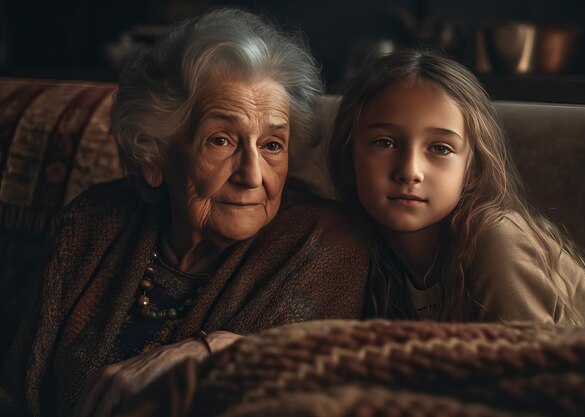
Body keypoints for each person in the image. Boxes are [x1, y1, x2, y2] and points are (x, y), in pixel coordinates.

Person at [0, 8, 368, 417]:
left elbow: (293, 377)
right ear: (155, 155)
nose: (251, 175)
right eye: (221, 141)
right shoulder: (89, 224)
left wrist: (207, 351)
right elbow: (16, 392)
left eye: (272, 145)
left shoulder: (322, 244)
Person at [328, 49, 585, 324]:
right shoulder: (360, 252)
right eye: (385, 143)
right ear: (349, 153)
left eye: (440, 148)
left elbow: (535, 376)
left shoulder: (497, 243)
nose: (410, 171)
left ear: (472, 169)